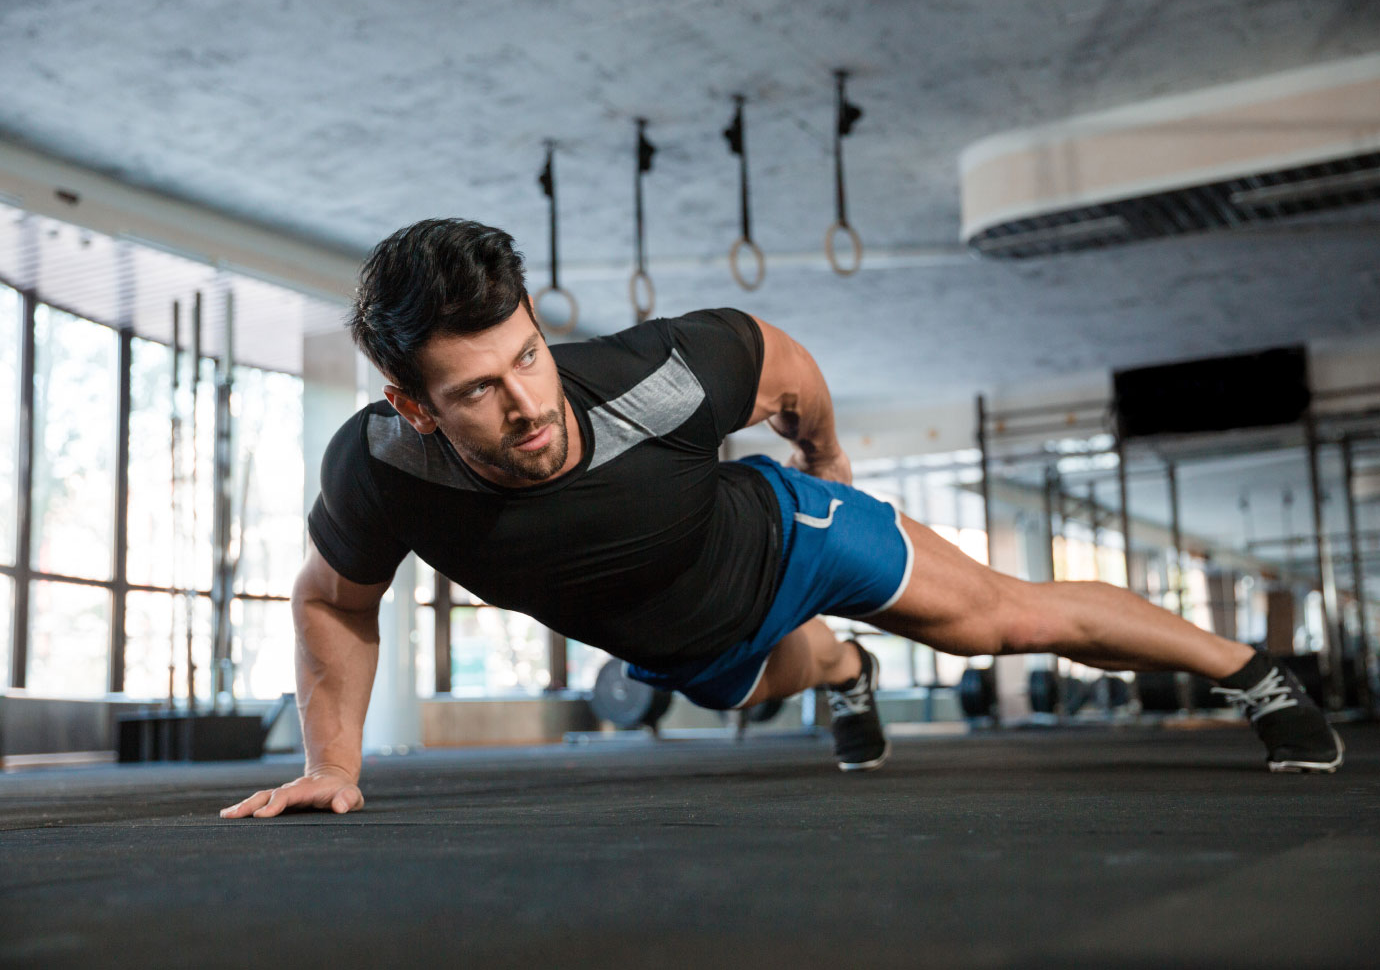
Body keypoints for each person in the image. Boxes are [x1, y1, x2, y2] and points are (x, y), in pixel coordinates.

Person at [221, 220, 1343, 819]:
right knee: (775, 676)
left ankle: (1256, 671)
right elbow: (333, 599)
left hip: (789, 533)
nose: (527, 405)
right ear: (411, 404)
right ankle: (843, 670)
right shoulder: (379, 470)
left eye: (527, 354)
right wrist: (334, 761)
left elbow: (784, 361)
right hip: (692, 644)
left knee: (999, 620)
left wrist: (828, 454)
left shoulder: (659, 374)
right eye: (477, 390)